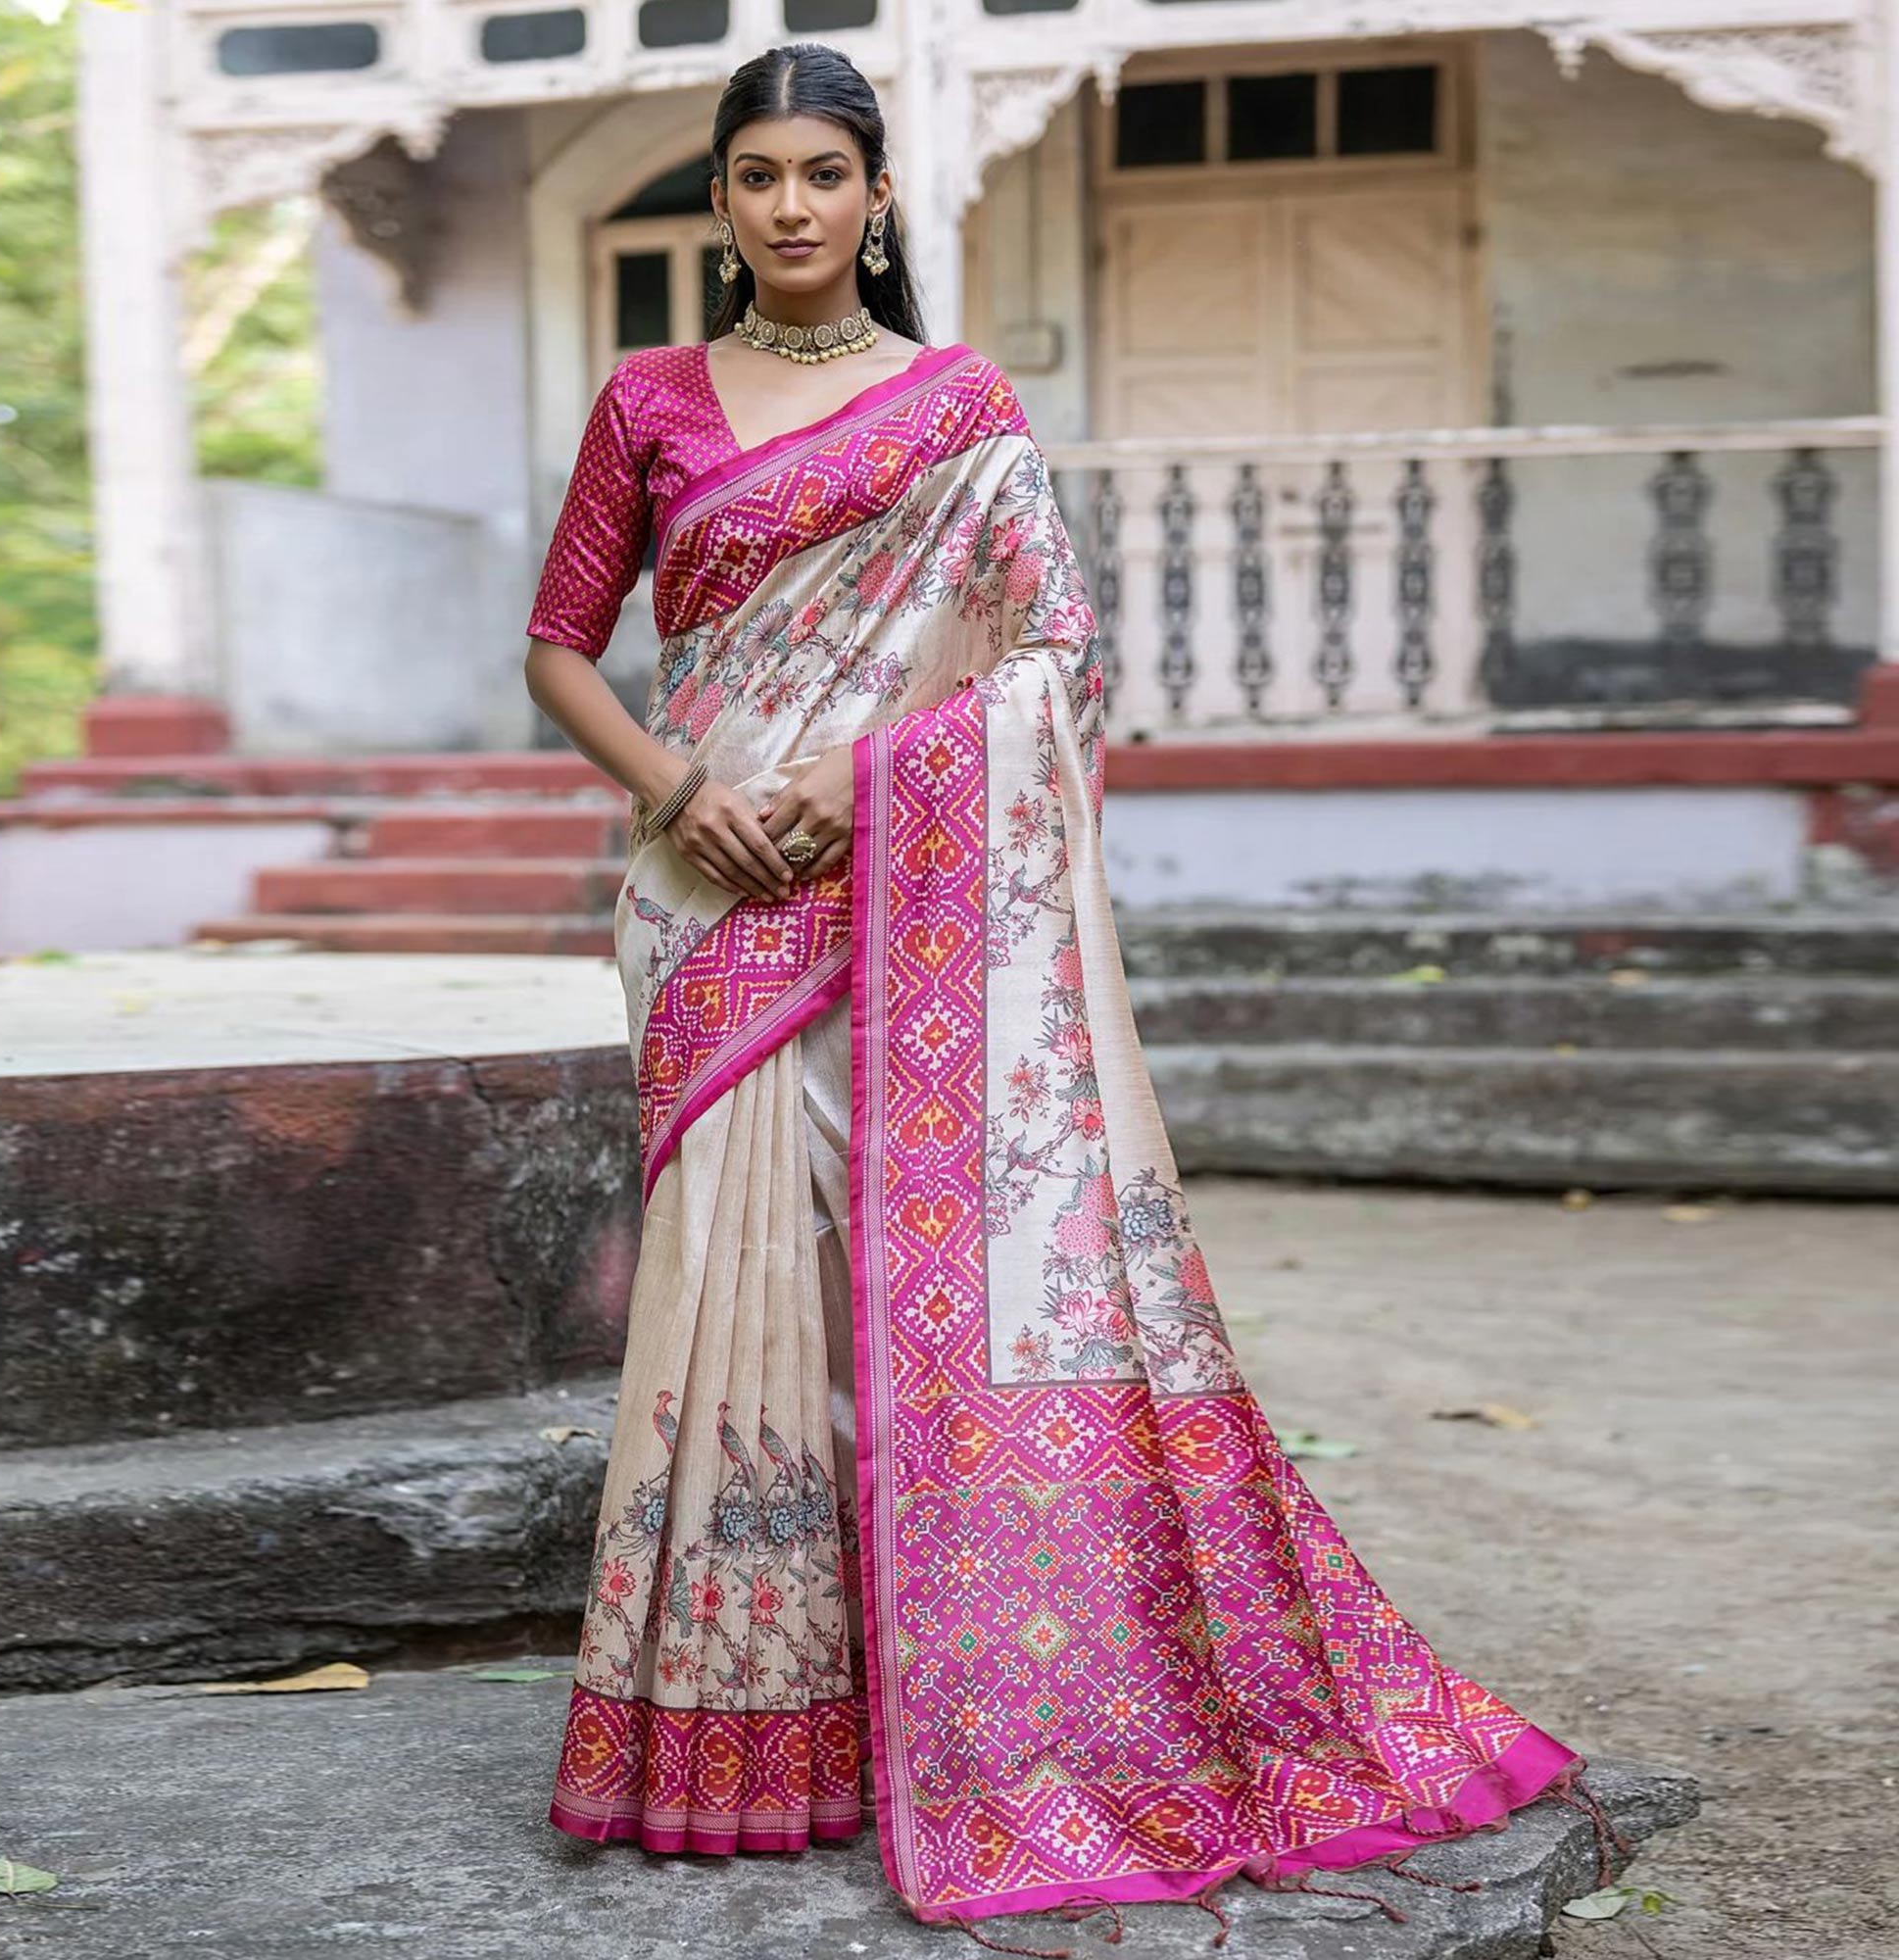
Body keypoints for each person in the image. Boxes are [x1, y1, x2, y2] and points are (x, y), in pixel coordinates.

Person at [521, 38, 1626, 1946]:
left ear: (875, 202)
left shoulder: (957, 411)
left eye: (825, 175)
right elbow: (562, 646)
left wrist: (853, 781)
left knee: (909, 1284)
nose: (790, 205)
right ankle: (744, 1720)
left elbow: (1053, 661)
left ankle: (940, 1706)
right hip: (703, 897)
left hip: (899, 889)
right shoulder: (646, 399)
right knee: (736, 1278)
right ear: (717, 202)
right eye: (757, 175)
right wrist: (687, 793)